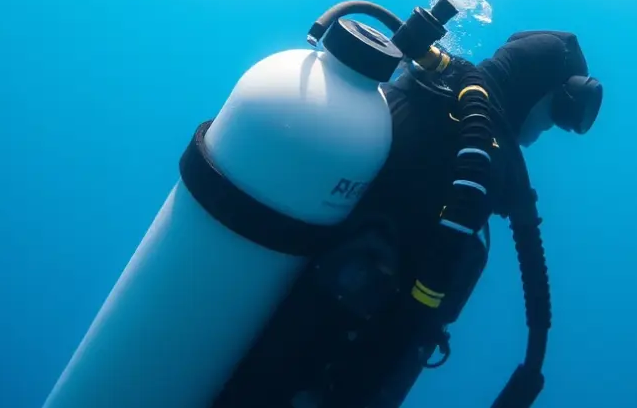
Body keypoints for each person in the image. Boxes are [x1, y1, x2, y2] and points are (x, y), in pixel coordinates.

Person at [212, 30, 602, 408]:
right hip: (309, 367)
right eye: (554, 111)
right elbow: (405, 317)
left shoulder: (420, 89)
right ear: (535, 87)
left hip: (262, 329)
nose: (548, 126)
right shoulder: (480, 152)